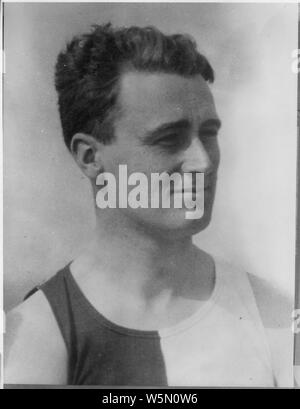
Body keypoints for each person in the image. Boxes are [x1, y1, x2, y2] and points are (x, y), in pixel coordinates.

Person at [4, 23, 293, 387]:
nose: (203, 162)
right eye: (170, 139)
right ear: (91, 157)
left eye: (209, 134)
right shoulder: (36, 338)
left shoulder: (274, 316)